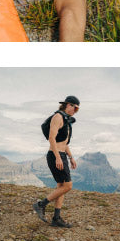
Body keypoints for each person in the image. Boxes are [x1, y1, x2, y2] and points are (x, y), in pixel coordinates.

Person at [33, 96, 79, 227]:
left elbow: (64, 143)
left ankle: (56, 218)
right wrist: (58, 156)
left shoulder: (66, 121)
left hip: (62, 155)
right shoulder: (57, 117)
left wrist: (71, 157)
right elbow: (51, 138)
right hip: (55, 156)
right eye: (75, 108)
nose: (75, 111)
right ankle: (40, 204)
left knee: (61, 187)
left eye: (77, 110)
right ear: (68, 105)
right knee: (68, 186)